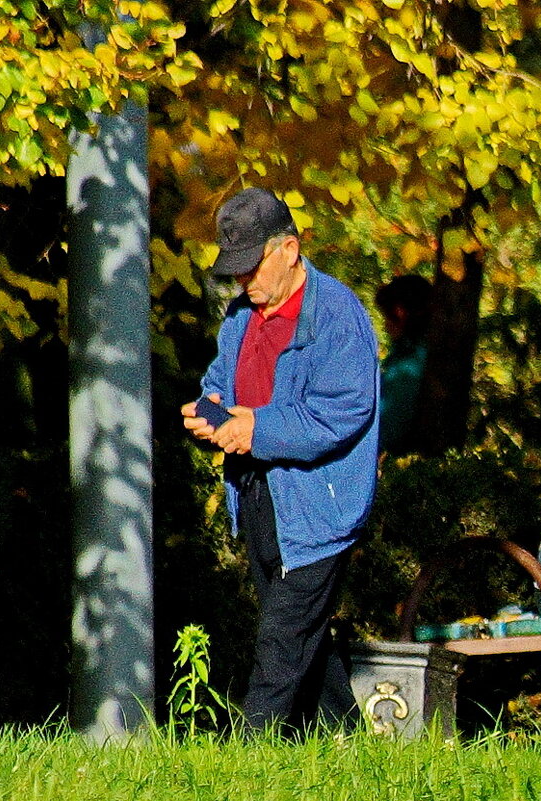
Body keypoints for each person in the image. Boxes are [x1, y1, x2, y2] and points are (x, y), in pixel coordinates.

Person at [181, 188, 380, 732]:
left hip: (319, 507)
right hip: (258, 497)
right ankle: (352, 751)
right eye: (235, 269)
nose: (243, 281)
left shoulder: (338, 315)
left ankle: (248, 760)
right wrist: (212, 414)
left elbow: (341, 414)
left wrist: (254, 428)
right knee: (305, 647)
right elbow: (221, 383)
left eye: (252, 267)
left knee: (280, 642)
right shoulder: (239, 316)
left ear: (289, 248)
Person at [375, 274, 431, 457]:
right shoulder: (408, 356)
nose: (385, 325)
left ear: (400, 313)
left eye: (387, 317)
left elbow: (388, 429)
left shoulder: (410, 363)